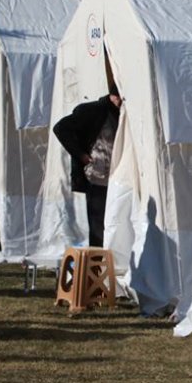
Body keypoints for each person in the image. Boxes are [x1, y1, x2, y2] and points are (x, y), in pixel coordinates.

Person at [53, 64, 121, 247]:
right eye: (119, 98)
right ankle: (96, 269)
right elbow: (61, 128)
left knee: (114, 225)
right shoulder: (93, 111)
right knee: (98, 227)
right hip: (97, 176)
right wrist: (82, 156)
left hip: (116, 177)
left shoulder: (121, 114)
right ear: (113, 96)